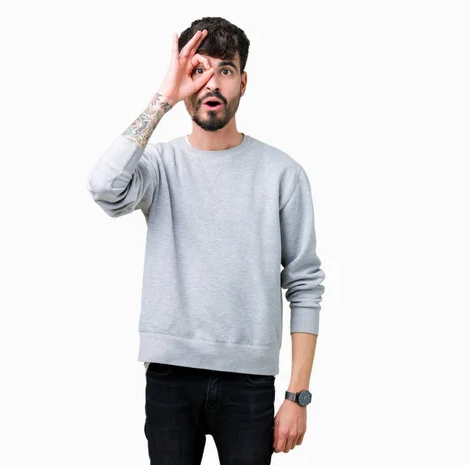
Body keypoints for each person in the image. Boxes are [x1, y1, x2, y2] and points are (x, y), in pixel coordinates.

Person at [86, 16, 325, 465]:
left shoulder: (282, 174)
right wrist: (162, 99)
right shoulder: (159, 166)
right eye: (198, 70)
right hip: (170, 377)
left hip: (249, 383)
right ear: (183, 80)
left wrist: (298, 395)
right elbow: (104, 188)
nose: (211, 83)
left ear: (243, 82)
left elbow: (305, 284)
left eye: (225, 70)